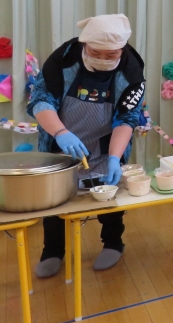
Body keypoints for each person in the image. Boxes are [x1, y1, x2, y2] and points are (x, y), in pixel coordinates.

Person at [27, 14, 145, 277]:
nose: (102, 59)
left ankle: (113, 242)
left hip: (104, 143)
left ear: (122, 49)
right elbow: (41, 100)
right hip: (60, 139)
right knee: (55, 200)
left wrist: (114, 157)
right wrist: (61, 133)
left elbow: (127, 118)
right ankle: (52, 250)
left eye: (111, 54)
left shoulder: (131, 72)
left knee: (108, 194)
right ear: (84, 44)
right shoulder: (63, 59)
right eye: (95, 52)